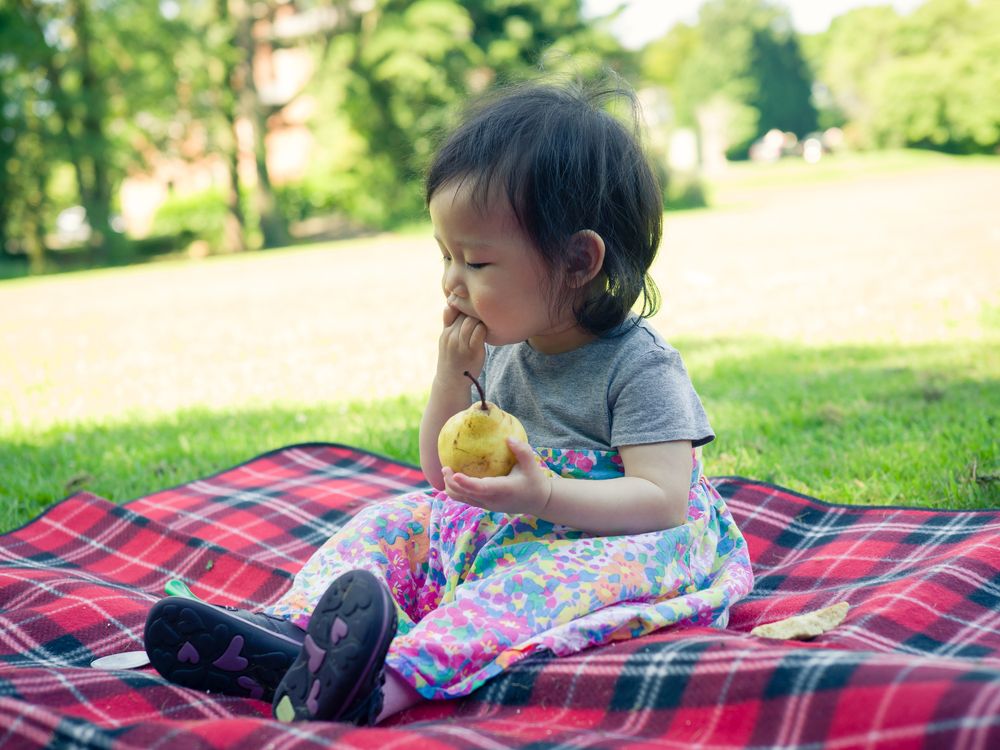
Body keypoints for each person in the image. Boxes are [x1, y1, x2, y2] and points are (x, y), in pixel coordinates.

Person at [143, 74, 754, 726]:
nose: (452, 282)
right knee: (390, 522)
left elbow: (660, 503)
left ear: (579, 262)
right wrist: (449, 378)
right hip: (509, 528)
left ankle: (386, 686)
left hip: (617, 545)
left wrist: (543, 495)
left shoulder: (639, 366)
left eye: (477, 263)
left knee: (520, 594)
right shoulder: (497, 349)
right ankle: (295, 636)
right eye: (445, 256)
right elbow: (442, 479)